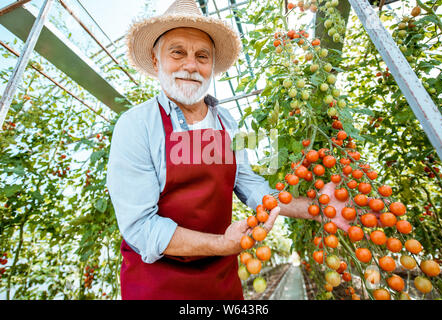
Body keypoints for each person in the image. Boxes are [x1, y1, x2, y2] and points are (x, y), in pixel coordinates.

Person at [106, 0, 349, 300]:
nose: (191, 65)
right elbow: (141, 228)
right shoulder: (135, 126)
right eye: (177, 52)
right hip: (157, 284)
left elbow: (250, 184)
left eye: (202, 56)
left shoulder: (229, 123)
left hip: (222, 282)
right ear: (156, 62)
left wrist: (318, 209)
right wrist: (222, 243)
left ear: (212, 67)